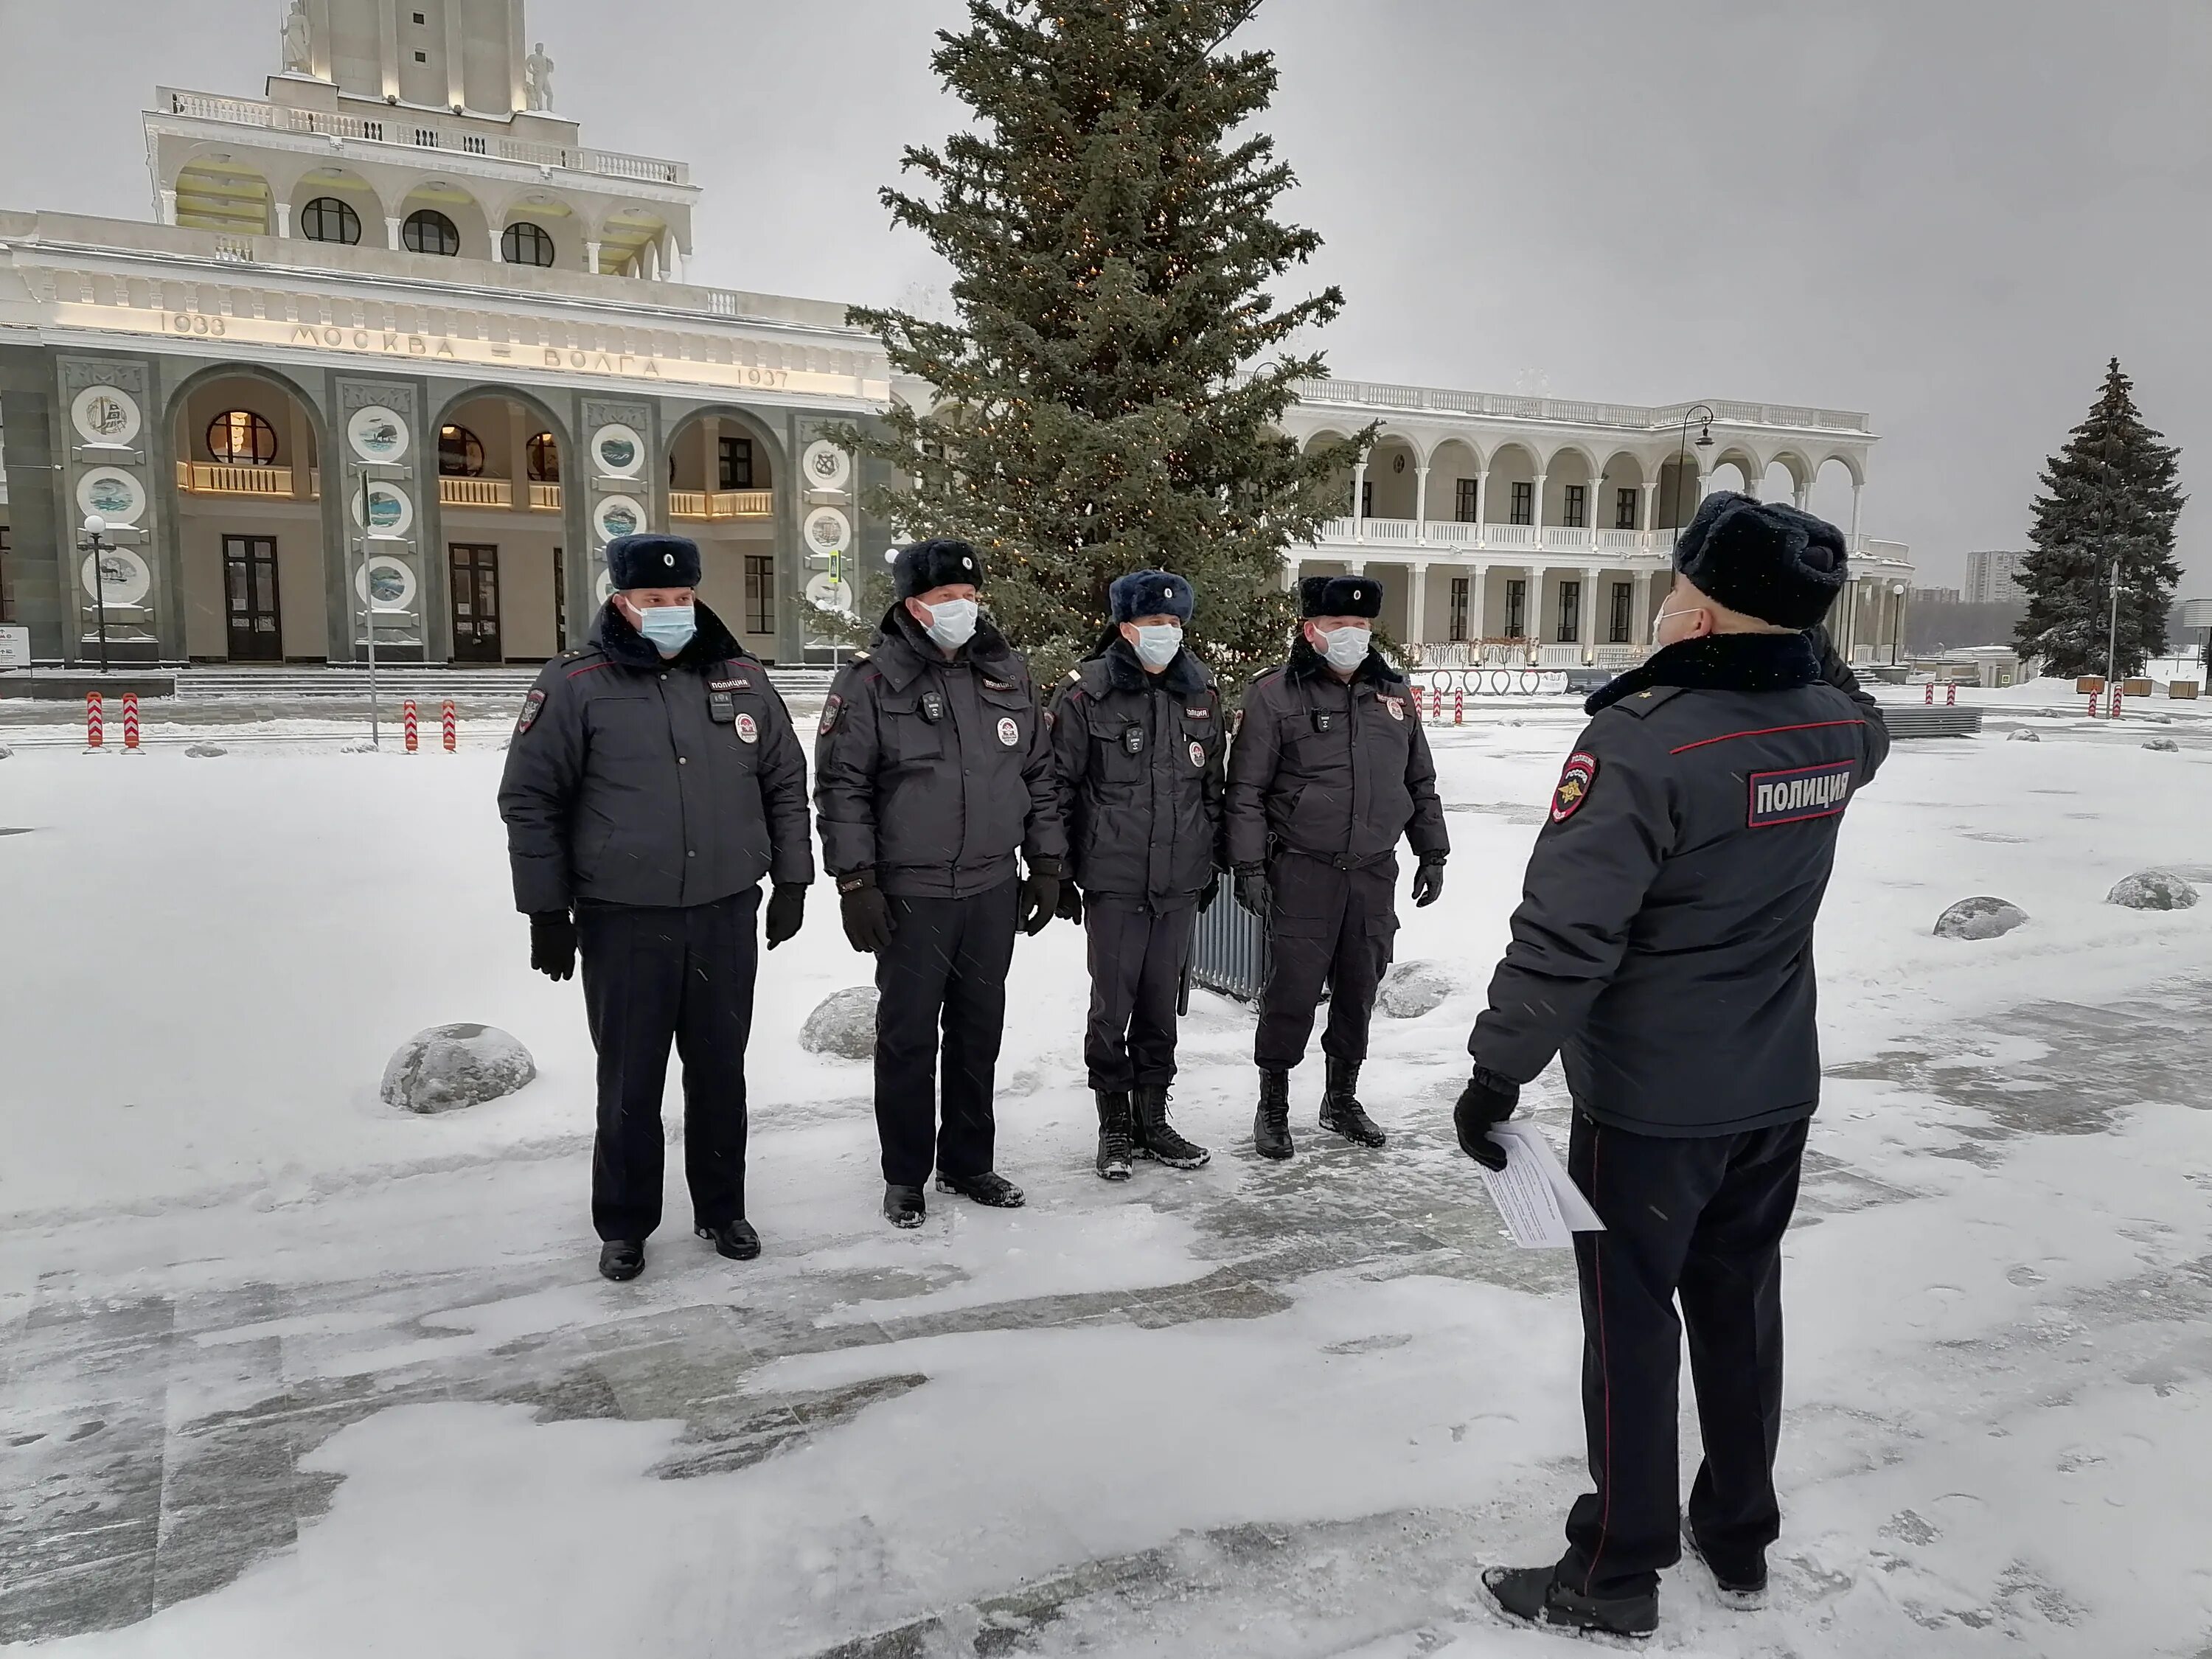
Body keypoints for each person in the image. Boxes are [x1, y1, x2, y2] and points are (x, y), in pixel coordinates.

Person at [1455, 492, 1891, 1638]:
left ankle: (1611, 1568)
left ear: (1698, 614)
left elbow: (1566, 932)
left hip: (1649, 1102)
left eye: (1677, 585)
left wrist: (1497, 1072)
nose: (1660, 600)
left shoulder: (1643, 739)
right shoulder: (1834, 730)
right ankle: (1738, 1533)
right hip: (1773, 1085)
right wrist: (1797, 630)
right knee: (1742, 1306)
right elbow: (1853, 701)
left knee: (1635, 1326)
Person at [498, 533, 813, 1284]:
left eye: (681, 599)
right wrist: (548, 913)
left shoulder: (739, 677)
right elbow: (530, 800)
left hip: (725, 912)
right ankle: (626, 1223)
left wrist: (794, 880)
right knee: (631, 1081)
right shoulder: (576, 685)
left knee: (719, 1073)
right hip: (625, 918)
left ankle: (722, 1208)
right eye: (652, 601)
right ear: (619, 601)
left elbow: (784, 782)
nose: (670, 612)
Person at [813, 538, 1067, 1228]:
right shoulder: (869, 683)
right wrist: (855, 881)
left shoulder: (1009, 674)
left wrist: (1045, 864)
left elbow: (1039, 777)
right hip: (910, 891)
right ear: (911, 606)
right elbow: (842, 789)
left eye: (969, 597)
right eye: (945, 599)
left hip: (990, 887)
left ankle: (968, 1161)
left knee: (978, 1031)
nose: (962, 609)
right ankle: (905, 1175)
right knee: (907, 1039)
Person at [1224, 575, 1448, 1159]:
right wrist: (1248, 865)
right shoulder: (1276, 695)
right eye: (1339, 626)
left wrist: (1433, 849)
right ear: (1311, 631)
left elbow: (1418, 779)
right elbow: (1245, 790)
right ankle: (1273, 1102)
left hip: (1374, 871)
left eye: (1361, 626)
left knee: (1360, 987)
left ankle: (1340, 1098)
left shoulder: (1393, 694)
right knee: (1292, 992)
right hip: (1305, 870)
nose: (1352, 636)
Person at [1048, 569, 1225, 1180]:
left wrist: (1210, 862)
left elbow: (1212, 790)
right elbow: (1058, 790)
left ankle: (1154, 1121)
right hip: (1115, 880)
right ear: (1126, 628)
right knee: (1112, 1006)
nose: (1168, 634)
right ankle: (1114, 1126)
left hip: (1177, 880)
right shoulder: (1087, 694)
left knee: (1160, 1007)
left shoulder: (1200, 692)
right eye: (1155, 624)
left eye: (1176, 624)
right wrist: (1061, 871)